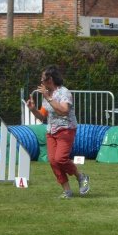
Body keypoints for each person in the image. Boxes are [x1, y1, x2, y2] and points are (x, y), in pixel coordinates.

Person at [26, 65, 90, 199]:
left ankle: (80, 176)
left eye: (43, 78)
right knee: (53, 161)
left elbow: (64, 111)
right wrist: (32, 109)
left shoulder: (64, 92)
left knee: (60, 159)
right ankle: (67, 191)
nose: (41, 81)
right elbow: (42, 116)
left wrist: (48, 97)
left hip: (66, 129)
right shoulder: (47, 95)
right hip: (51, 131)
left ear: (50, 79)